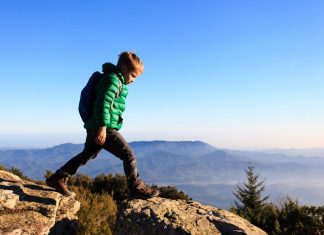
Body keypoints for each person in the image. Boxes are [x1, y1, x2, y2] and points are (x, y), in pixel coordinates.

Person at [46, 51, 159, 198]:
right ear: (124, 68)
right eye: (133, 75)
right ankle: (135, 187)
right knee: (128, 155)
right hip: (103, 127)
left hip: (96, 126)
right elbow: (102, 104)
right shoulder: (112, 80)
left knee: (87, 155)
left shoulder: (116, 81)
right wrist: (103, 127)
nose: (133, 81)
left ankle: (58, 177)